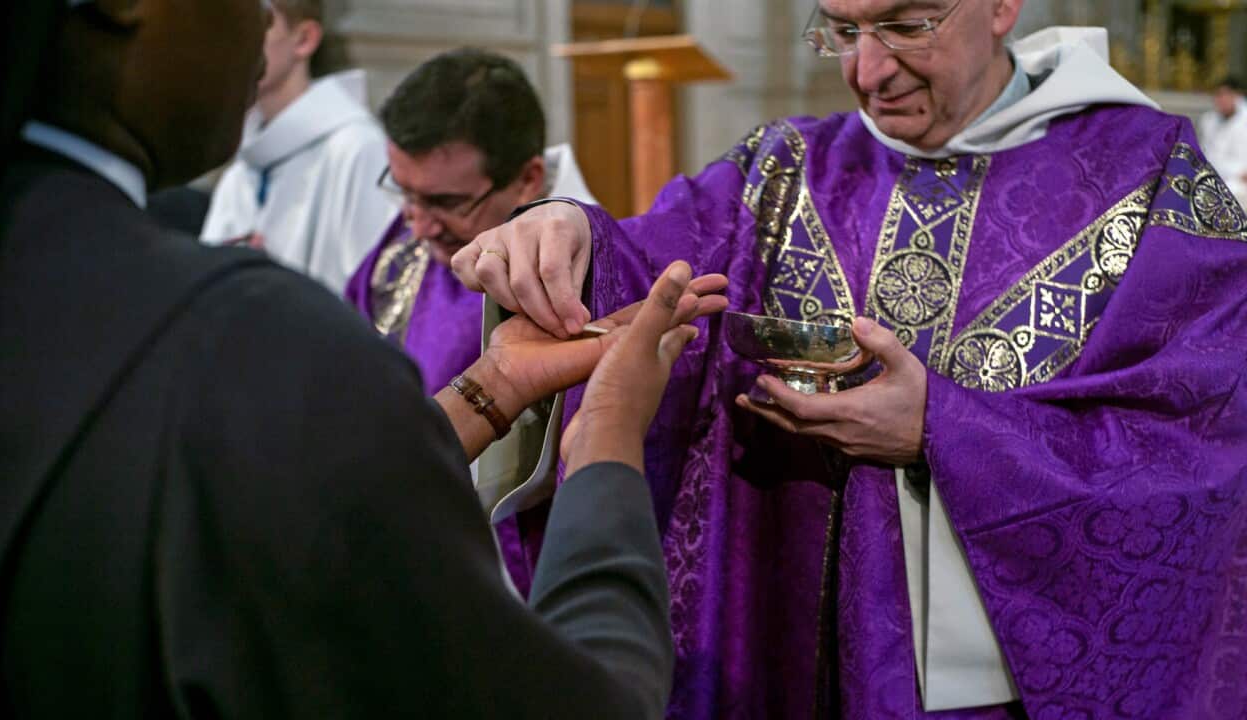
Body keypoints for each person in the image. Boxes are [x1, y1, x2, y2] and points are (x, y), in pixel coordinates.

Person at [454, 1, 1247, 717]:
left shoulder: (1151, 177)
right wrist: (565, 231)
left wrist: (946, 429)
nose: (868, 72)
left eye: (906, 25)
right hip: (780, 660)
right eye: (842, 30)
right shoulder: (784, 165)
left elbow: (1209, 441)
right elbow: (648, 260)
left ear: (1003, 7)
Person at [0, 0, 732, 716]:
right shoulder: (240, 337)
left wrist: (491, 385)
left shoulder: (32, 279)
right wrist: (605, 431)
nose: (265, 26)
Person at [346, 47, 597, 395]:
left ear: (527, 180)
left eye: (447, 203)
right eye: (406, 194)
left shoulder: (584, 282)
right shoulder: (406, 240)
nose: (419, 229)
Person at [200, 0, 395, 294]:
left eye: (261, 21)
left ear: (304, 39)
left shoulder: (358, 150)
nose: (234, 38)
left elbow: (380, 296)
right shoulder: (242, 168)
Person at [1199, 76, 1247, 209]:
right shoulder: (1208, 120)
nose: (1221, 101)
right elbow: (1206, 154)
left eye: (1225, 96)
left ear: (1236, 96)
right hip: (1214, 178)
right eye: (1218, 96)